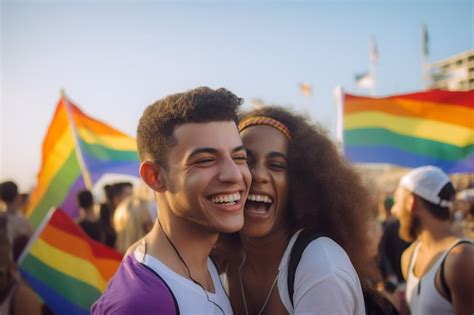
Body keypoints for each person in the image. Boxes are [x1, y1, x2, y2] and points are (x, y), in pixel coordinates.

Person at [91, 87, 251, 314]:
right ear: (154, 177)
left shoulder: (210, 262)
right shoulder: (143, 302)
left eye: (239, 157)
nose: (234, 174)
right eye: (205, 160)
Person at [215, 106, 383, 315]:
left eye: (276, 165)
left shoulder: (321, 267)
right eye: (246, 161)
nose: (258, 175)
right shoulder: (216, 262)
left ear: (301, 183)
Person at [392, 166, 474, 314]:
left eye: (397, 201)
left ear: (411, 203)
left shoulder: (461, 257)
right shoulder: (410, 256)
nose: (394, 210)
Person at [0, 181, 32, 258]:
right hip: (13, 266)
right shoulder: (21, 222)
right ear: (17, 196)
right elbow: (32, 243)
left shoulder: (2, 217)